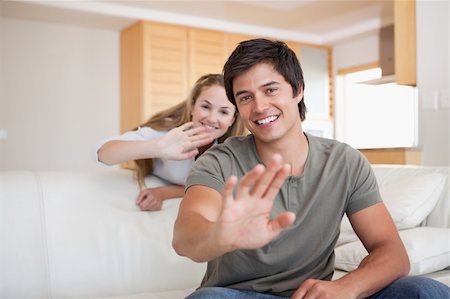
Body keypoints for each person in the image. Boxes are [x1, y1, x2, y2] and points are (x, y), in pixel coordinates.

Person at [172, 39, 450, 298]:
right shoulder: (219, 161)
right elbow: (185, 236)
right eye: (245, 97)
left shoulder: (344, 161)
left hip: (316, 295)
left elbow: (392, 253)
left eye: (270, 90)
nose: (259, 106)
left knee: (424, 290)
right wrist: (221, 235)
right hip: (241, 294)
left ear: (298, 89)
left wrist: (345, 288)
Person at [94, 74, 245, 211]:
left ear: (232, 119)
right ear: (192, 107)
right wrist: (158, 147)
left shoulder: (231, 151)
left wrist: (164, 193)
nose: (212, 118)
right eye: (205, 107)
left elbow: (218, 188)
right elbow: (101, 153)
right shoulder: (166, 133)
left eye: (224, 112)